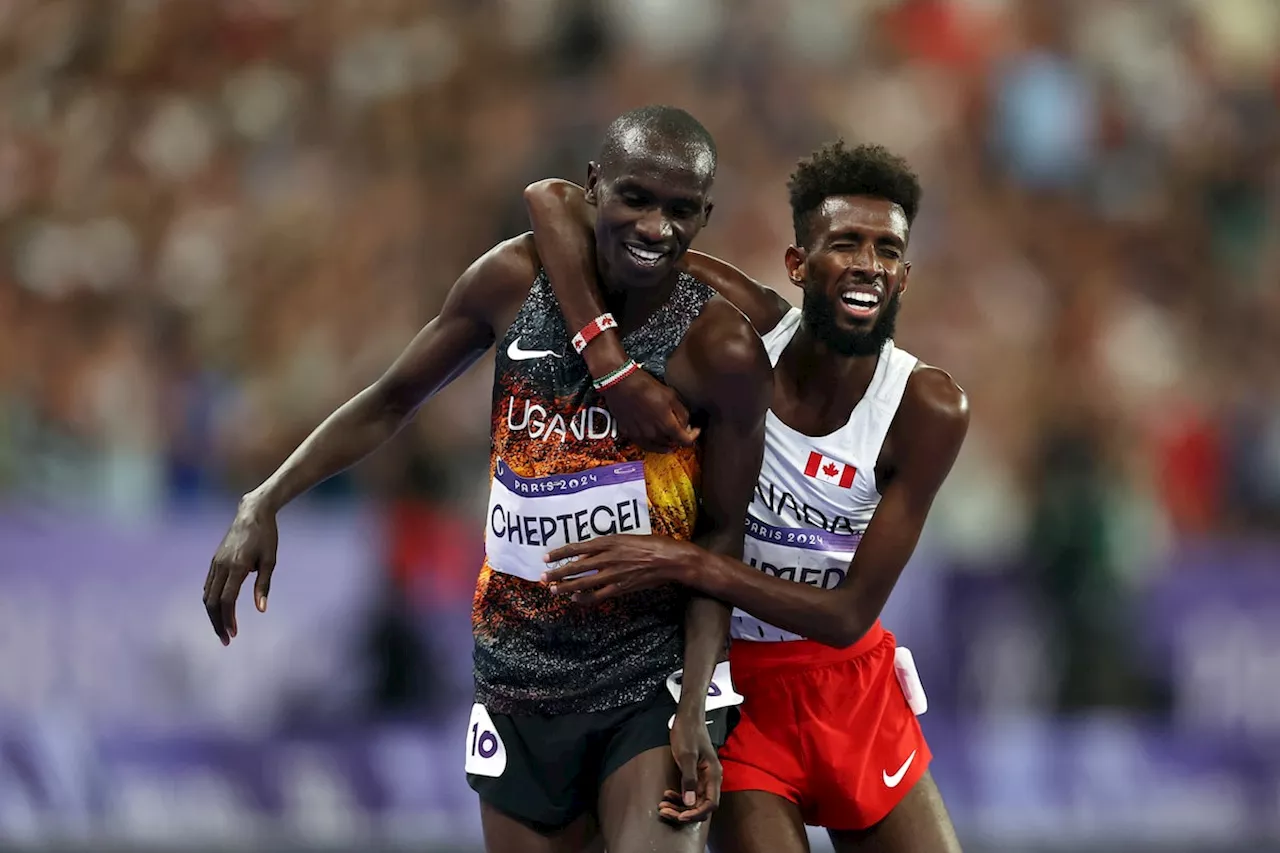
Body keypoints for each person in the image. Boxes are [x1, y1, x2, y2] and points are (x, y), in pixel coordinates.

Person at [202, 105, 773, 853]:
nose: (655, 227)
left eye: (680, 210)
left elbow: (719, 535)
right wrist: (265, 495)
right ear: (594, 184)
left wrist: (698, 700)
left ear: (705, 215)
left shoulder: (721, 348)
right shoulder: (510, 281)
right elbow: (391, 400)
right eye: (635, 197)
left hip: (650, 669)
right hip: (518, 669)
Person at [526, 140, 968, 852]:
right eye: (845, 243)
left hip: (850, 683)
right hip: (737, 684)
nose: (867, 264)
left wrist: (682, 562)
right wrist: (607, 361)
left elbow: (849, 615)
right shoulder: (736, 328)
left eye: (887, 249)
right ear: (798, 265)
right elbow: (556, 205)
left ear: (905, 276)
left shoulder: (926, 407)